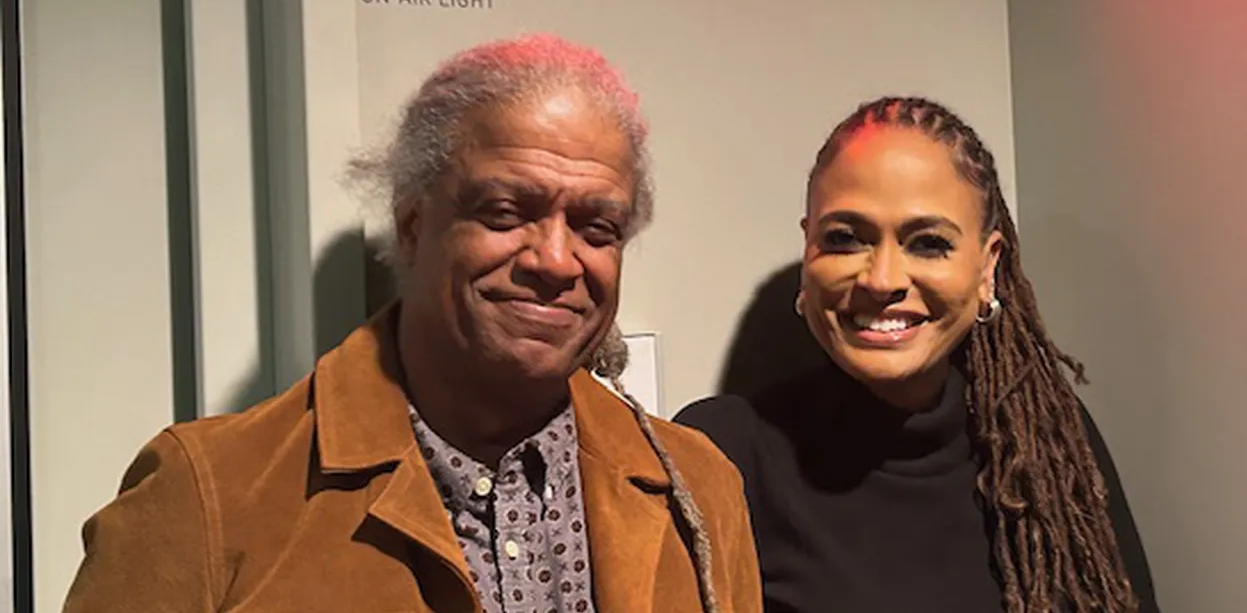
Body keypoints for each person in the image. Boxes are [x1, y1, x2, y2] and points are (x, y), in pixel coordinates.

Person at [64, 34, 761, 613]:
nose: (555, 260)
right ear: (412, 225)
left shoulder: (697, 488)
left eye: (595, 226)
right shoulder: (208, 495)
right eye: (504, 212)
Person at [676, 97, 1160, 613]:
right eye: (844, 239)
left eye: (928, 244)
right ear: (808, 250)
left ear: (986, 268)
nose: (882, 280)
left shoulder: (1050, 441)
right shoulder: (720, 454)